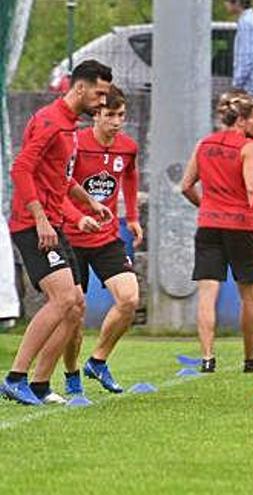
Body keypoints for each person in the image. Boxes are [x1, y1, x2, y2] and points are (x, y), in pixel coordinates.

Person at [1, 60, 114, 406]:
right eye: (99, 93)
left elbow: (61, 177)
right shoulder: (51, 122)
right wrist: (40, 219)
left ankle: (39, 383)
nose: (102, 101)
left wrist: (89, 204)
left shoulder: (69, 126)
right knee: (64, 299)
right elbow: (21, 168)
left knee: (76, 306)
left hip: (54, 221)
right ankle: (14, 378)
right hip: (32, 223)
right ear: (80, 88)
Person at [46, 85, 142, 401]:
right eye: (111, 115)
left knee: (129, 299)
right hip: (71, 238)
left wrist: (133, 217)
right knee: (75, 314)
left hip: (105, 236)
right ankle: (72, 376)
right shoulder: (75, 145)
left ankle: (97, 361)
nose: (117, 122)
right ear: (96, 115)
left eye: (121, 115)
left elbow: (130, 177)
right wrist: (77, 218)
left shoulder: (127, 147)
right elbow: (59, 188)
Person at [180, 95, 253, 374]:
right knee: (250, 296)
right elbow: (252, 190)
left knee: (207, 294)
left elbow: (186, 185)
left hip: (208, 226)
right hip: (241, 227)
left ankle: (208, 359)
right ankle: (250, 360)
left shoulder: (203, 144)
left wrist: (208, 207)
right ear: (242, 120)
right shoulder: (250, 148)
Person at [225, 0, 253, 96]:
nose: (225, 5)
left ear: (237, 2)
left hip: (249, 88)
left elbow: (246, 58)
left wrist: (237, 85)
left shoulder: (246, 23)